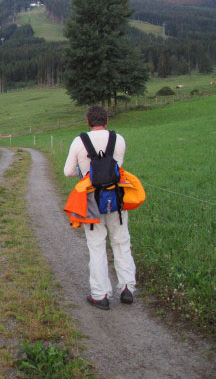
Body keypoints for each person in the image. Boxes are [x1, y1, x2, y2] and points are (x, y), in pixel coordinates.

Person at [64, 105, 136, 310]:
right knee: (121, 242)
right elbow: (117, 166)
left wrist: (83, 168)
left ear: (88, 122)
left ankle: (101, 294)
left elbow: (68, 171)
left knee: (96, 246)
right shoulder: (118, 139)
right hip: (116, 198)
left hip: (91, 201)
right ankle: (127, 288)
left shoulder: (79, 141)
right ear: (107, 121)